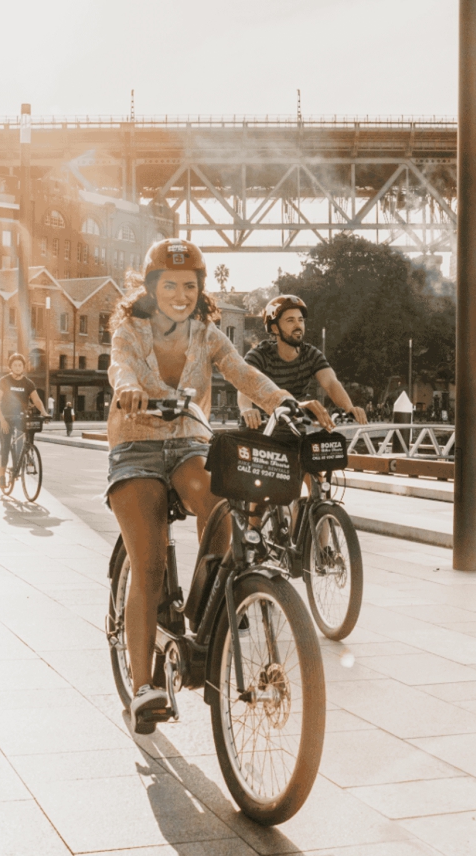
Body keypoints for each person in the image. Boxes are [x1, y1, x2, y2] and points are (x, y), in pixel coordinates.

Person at [107, 238, 332, 734]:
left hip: (189, 443)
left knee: (221, 504)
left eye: (190, 286)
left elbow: (241, 371)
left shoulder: (206, 332)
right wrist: (128, 389)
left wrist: (282, 401)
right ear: (152, 287)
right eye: (170, 285)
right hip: (136, 446)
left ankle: (206, 610)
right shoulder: (129, 330)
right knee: (148, 561)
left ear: (200, 288)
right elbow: (119, 365)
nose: (181, 295)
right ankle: (143, 687)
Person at [239, 294, 368, 428]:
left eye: (300, 320)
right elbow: (244, 385)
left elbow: (330, 383)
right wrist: (246, 409)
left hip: (294, 426)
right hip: (260, 427)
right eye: (290, 320)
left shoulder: (311, 354)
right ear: (275, 328)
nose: (298, 325)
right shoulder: (260, 354)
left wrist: (349, 408)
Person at [0, 353, 47, 488]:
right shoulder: (4, 381)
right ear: (10, 367)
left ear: (23, 367)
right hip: (5, 418)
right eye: (15, 365)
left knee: (26, 439)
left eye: (20, 365)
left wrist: (44, 412)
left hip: (20, 418)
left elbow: (36, 400)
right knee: (6, 446)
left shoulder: (28, 383)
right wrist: (2, 419)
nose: (17, 367)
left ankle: (22, 460)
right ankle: (1, 476)